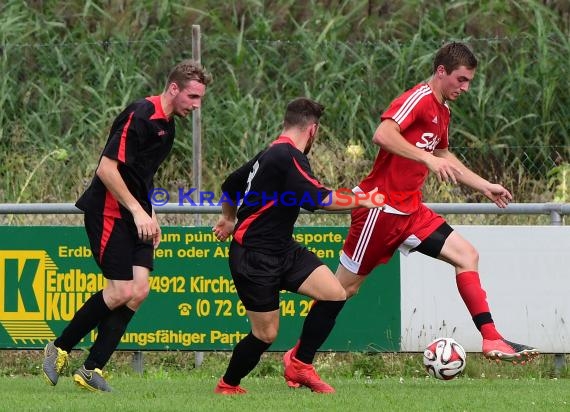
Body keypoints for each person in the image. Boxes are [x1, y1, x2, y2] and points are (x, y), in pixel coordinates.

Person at [283, 42, 540, 391]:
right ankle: (299, 360)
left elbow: (444, 155)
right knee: (340, 291)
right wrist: (427, 159)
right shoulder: (419, 98)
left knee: (467, 255)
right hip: (380, 210)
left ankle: (492, 338)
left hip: (411, 211)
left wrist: (484, 185)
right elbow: (382, 133)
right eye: (461, 79)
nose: (465, 87)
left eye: (468, 81)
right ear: (440, 72)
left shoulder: (443, 110)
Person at [42, 59, 212, 392]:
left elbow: (141, 176)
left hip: (137, 213)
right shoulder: (140, 114)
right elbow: (106, 169)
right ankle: (59, 347)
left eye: (200, 99)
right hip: (109, 212)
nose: (197, 105)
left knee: (139, 291)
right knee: (120, 290)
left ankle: (91, 369)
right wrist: (136, 211)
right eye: (193, 97)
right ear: (174, 88)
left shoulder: (168, 126)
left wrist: (151, 215)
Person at [212, 97, 384, 395]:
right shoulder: (286, 155)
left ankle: (300, 364)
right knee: (265, 334)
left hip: (283, 249)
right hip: (253, 256)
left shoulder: (270, 153)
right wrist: (364, 200)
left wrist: (228, 218)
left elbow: (229, 185)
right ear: (313, 130)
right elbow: (319, 199)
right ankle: (228, 385)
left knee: (334, 294)